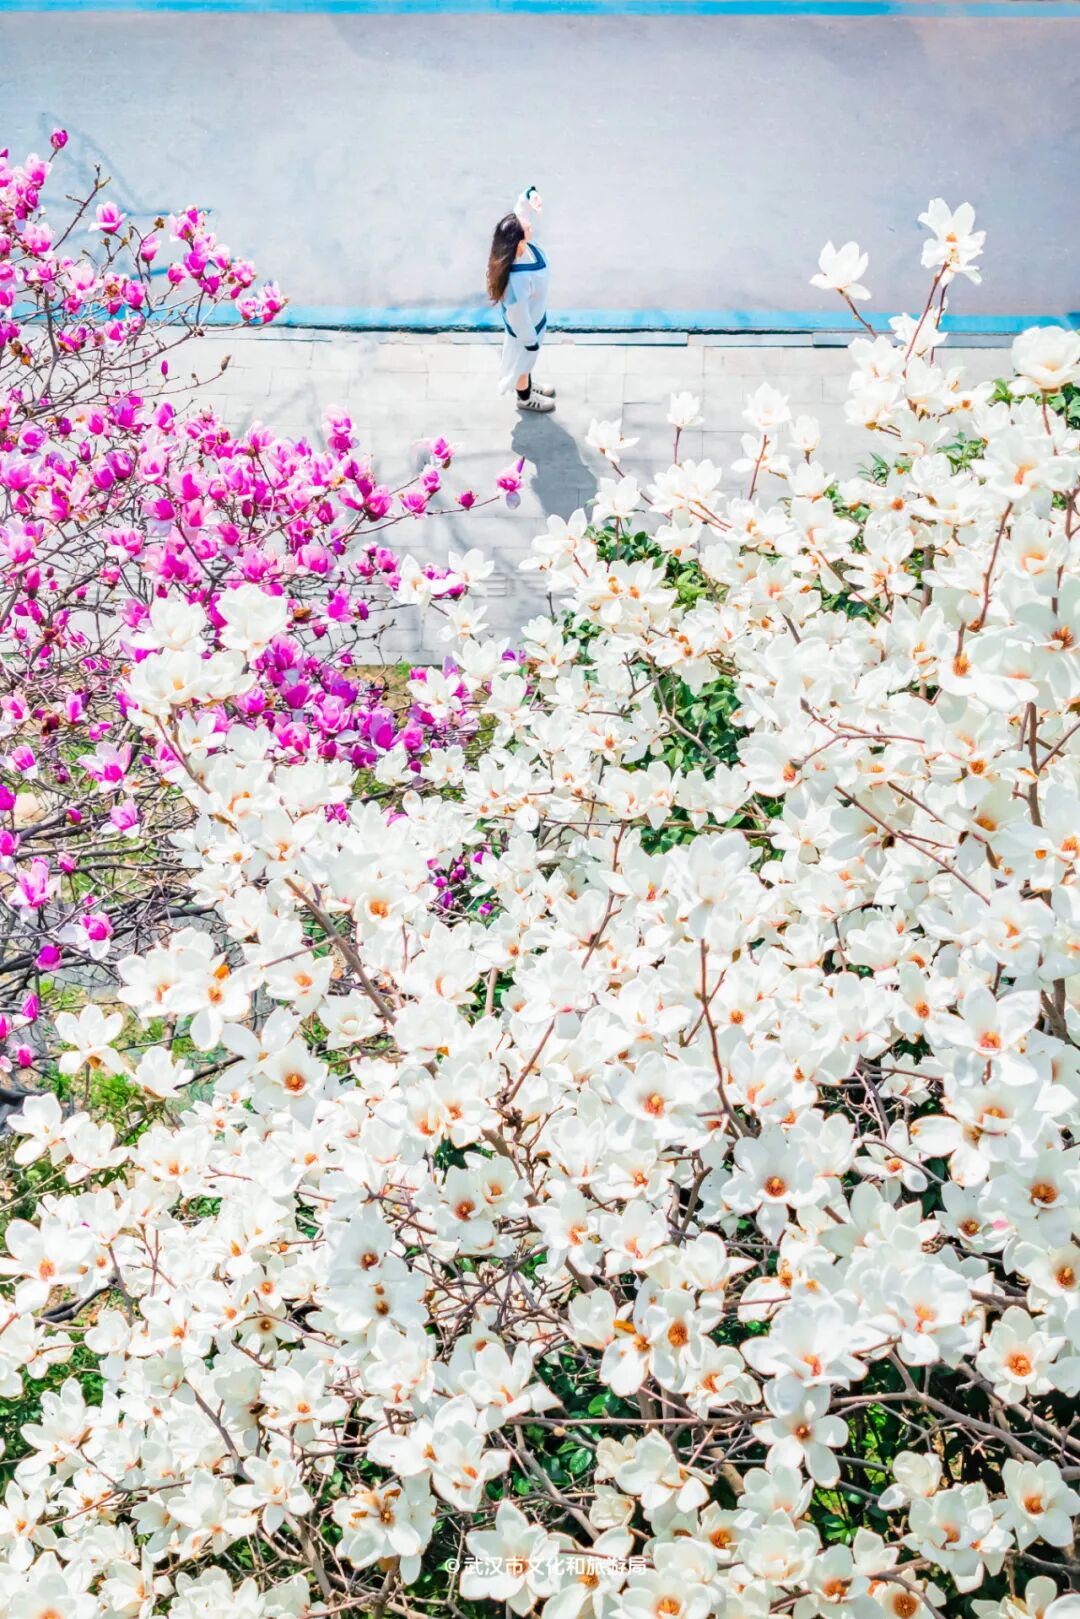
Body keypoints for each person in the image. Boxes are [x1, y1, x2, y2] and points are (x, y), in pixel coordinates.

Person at [488, 187, 556, 413]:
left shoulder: (521, 247)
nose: (528, 223)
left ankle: (526, 382)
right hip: (526, 332)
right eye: (525, 225)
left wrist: (529, 195)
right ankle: (525, 397)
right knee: (523, 362)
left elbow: (521, 210)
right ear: (517, 240)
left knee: (527, 363)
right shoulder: (516, 280)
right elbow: (518, 316)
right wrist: (529, 340)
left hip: (535, 321)